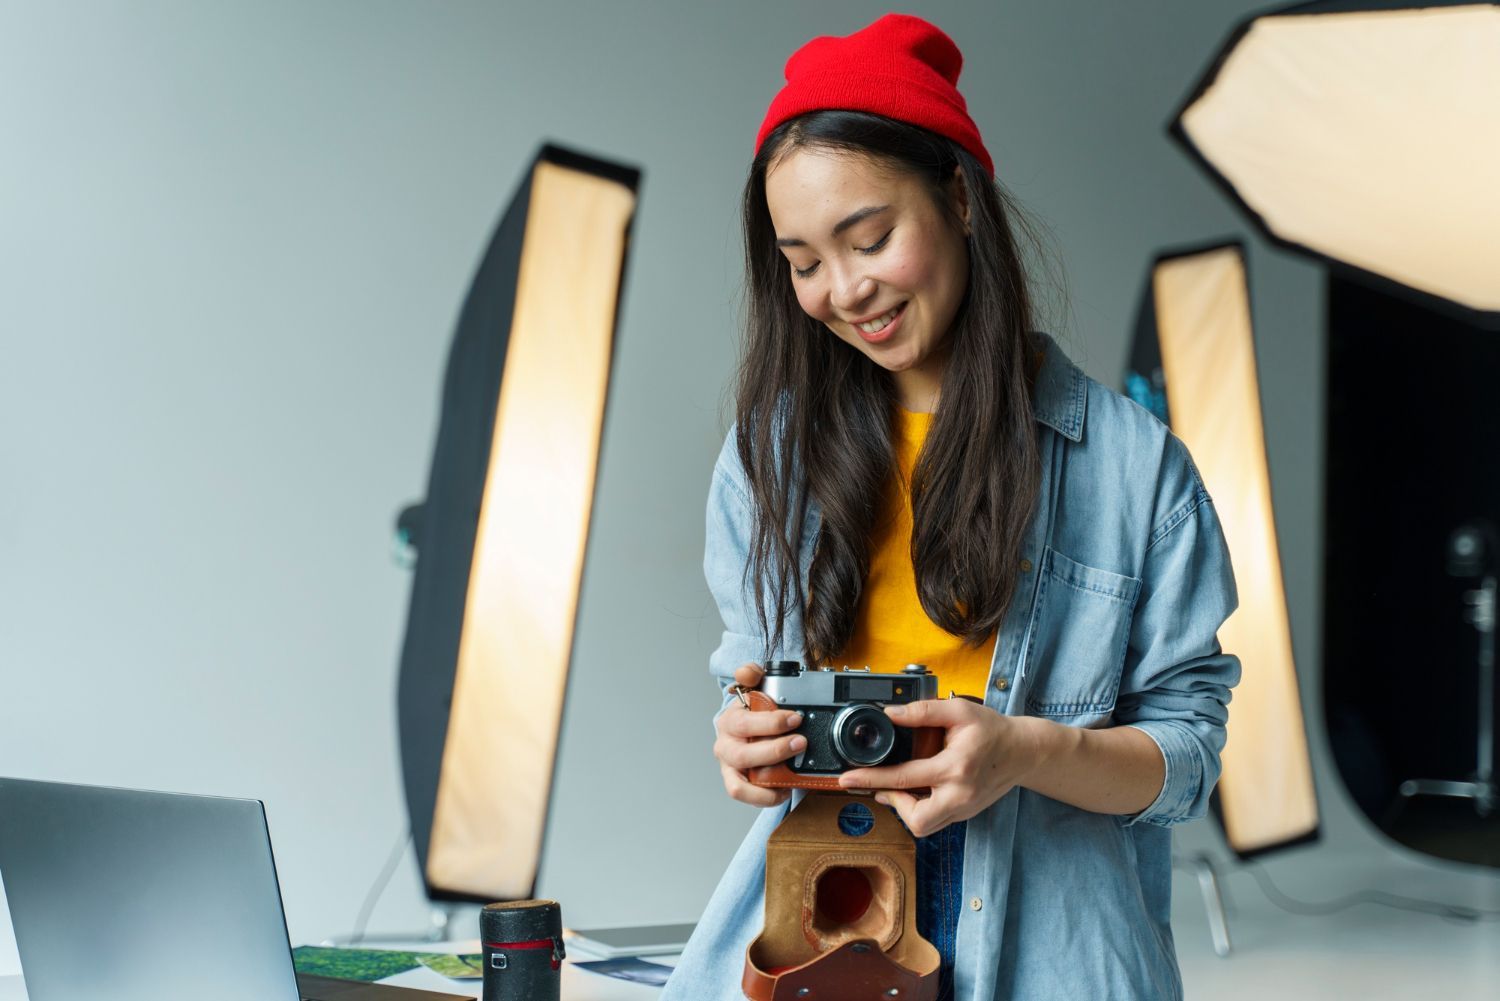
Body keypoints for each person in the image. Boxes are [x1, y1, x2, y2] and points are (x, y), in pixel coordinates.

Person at [662, 13, 1241, 1001]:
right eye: (803, 262)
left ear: (961, 196)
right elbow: (747, 681)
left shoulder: (1131, 467)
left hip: (1056, 946)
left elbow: (1187, 761)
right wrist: (746, 739)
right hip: (818, 931)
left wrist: (1023, 750)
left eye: (870, 237)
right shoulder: (769, 457)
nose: (844, 290)